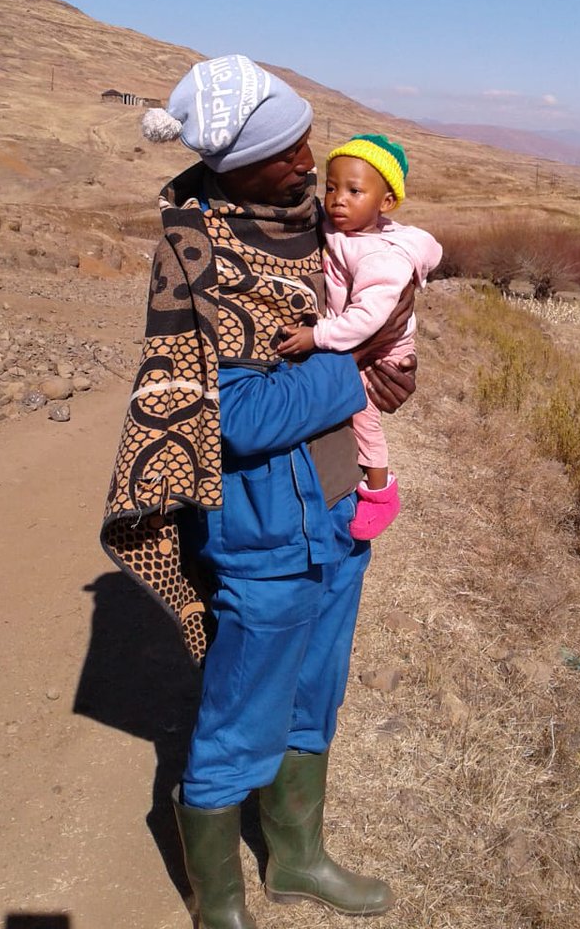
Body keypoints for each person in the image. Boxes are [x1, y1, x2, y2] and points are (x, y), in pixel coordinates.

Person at [100, 55, 417, 929]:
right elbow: (234, 417)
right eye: (287, 153)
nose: (308, 161)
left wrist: (393, 343)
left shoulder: (317, 222)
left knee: (316, 692)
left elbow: (390, 285)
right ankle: (218, 900)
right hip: (262, 523)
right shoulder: (197, 252)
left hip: (338, 508)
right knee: (244, 711)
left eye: (309, 140)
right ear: (232, 164)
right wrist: (356, 371)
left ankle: (298, 857)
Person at [278, 134, 442, 540]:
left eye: (354, 191)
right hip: (362, 337)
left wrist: (316, 337)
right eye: (331, 188)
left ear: (385, 204)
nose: (337, 200)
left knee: (363, 416)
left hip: (384, 350)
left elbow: (367, 320)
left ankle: (380, 491)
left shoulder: (379, 256)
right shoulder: (345, 229)